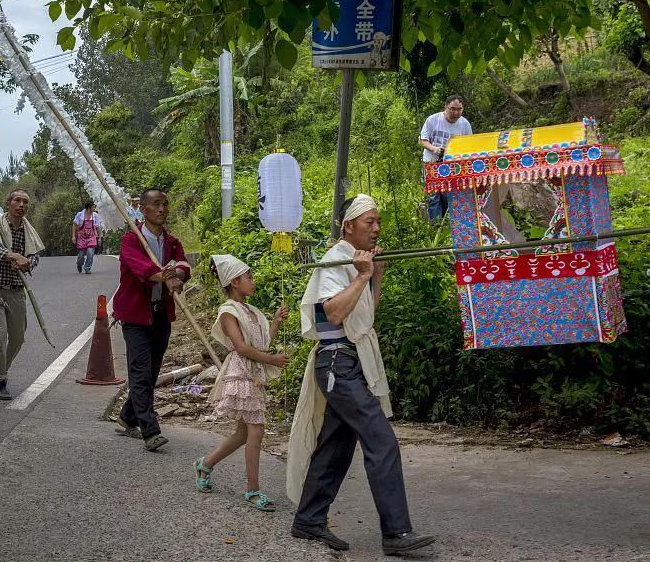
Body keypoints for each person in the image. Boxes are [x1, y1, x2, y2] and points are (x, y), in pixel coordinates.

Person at [286, 194, 434, 556]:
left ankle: (308, 520)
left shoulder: (353, 263)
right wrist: (363, 273)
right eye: (369, 222)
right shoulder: (335, 259)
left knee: (336, 447)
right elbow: (333, 313)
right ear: (348, 226)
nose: (376, 228)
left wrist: (374, 276)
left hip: (349, 362)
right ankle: (396, 533)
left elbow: (364, 315)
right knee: (381, 440)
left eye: (378, 221)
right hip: (337, 363)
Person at [194, 254, 289, 512]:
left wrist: (276, 323)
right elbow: (240, 347)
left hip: (253, 372)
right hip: (242, 372)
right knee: (255, 430)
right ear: (234, 281)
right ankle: (252, 489)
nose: (253, 281)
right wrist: (272, 359)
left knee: (243, 433)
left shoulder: (253, 311)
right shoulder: (227, 311)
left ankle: (205, 464)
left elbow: (262, 343)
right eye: (249, 277)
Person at [113, 188, 191, 452]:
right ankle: (150, 429)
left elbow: (183, 263)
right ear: (143, 210)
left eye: (165, 205)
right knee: (140, 370)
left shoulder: (171, 241)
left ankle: (127, 416)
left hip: (161, 314)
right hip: (135, 316)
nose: (161, 209)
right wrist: (163, 275)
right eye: (156, 205)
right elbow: (140, 268)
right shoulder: (131, 240)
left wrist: (177, 275)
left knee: (152, 370)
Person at [0, 190, 45, 400]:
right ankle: (0, 381)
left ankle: (2, 368)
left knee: (17, 338)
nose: (21, 205)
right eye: (17, 200)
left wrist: (27, 263)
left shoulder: (29, 231)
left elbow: (34, 256)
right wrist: (16, 256)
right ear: (8, 203)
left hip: (17, 290)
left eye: (25, 202)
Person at [418, 95, 472, 221]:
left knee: (448, 195)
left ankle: (448, 226)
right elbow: (422, 140)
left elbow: (468, 145)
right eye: (452, 109)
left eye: (459, 109)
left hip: (452, 166)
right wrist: (434, 148)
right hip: (431, 163)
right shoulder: (433, 120)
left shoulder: (464, 124)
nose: (455, 113)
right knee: (433, 196)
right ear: (445, 107)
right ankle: (436, 227)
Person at [73, 201, 100, 274]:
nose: (94, 208)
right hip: (82, 237)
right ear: (89, 207)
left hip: (91, 237)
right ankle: (79, 264)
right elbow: (74, 225)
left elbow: (98, 227)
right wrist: (73, 236)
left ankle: (87, 267)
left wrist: (99, 237)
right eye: (93, 206)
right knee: (81, 255)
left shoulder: (95, 216)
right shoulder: (80, 215)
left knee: (90, 253)